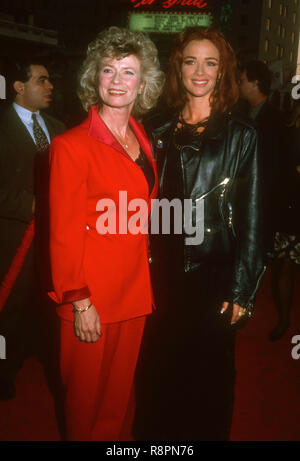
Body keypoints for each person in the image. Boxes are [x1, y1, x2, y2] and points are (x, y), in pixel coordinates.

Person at [133, 26, 265, 441]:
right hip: (160, 278)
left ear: (223, 70)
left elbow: (254, 217)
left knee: (208, 380)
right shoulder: (154, 130)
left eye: (212, 62)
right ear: (179, 68)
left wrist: (242, 289)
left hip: (213, 277)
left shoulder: (242, 135)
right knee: (157, 375)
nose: (201, 70)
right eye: (192, 61)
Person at [48, 26, 164, 441]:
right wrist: (80, 302)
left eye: (128, 72)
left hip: (134, 294)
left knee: (116, 403)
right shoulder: (70, 146)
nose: (117, 81)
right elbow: (61, 233)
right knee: (84, 404)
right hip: (91, 298)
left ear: (143, 83)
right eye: (108, 70)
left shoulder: (142, 136)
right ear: (93, 78)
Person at [0, 59, 65, 400]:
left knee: (46, 306)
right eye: (42, 79)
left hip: (53, 242)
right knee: (9, 310)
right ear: (18, 86)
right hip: (11, 244)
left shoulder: (59, 128)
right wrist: (30, 205)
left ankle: (40, 357)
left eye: (50, 78)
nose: (50, 85)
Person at [270, 102, 300, 340]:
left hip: (290, 208)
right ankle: (283, 320)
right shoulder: (288, 133)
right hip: (291, 209)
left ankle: (284, 320)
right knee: (285, 266)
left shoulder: (287, 131)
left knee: (285, 266)